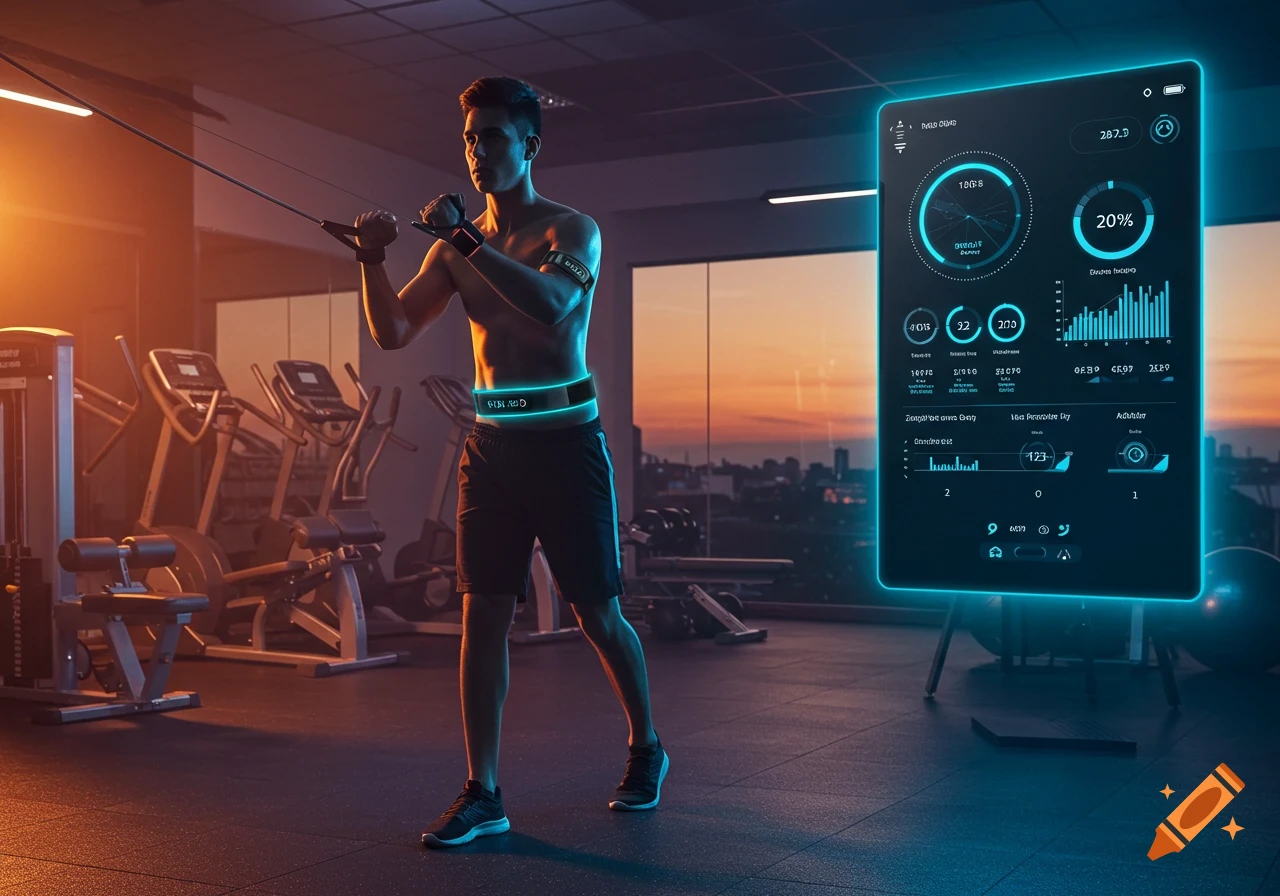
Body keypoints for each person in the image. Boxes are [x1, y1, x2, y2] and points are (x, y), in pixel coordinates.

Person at [354, 77, 667, 849]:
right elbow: (394, 331)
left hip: (567, 445)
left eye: (493, 136)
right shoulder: (460, 249)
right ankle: (483, 791)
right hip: (492, 448)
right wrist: (370, 259)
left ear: (530, 144)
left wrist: (463, 241)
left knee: (598, 613)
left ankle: (647, 747)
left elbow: (553, 308)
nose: (478, 150)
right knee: (482, 615)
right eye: (469, 138)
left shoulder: (573, 231)